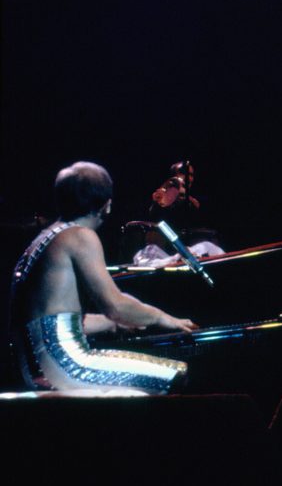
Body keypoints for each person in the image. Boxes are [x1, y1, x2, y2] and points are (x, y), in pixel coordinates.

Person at [9, 161, 197, 394]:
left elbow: (56, 325)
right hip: (68, 367)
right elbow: (115, 305)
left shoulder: (42, 241)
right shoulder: (80, 236)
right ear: (107, 206)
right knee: (179, 374)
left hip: (36, 369)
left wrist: (113, 323)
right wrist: (163, 317)